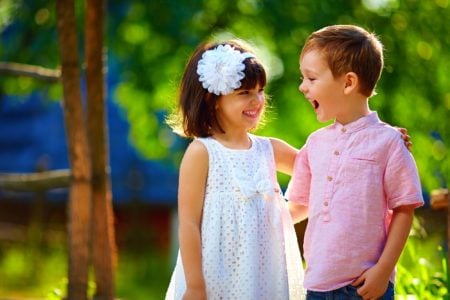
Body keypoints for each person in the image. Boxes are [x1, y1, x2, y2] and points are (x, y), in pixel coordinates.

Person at [285, 24, 424, 300]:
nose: (302, 87)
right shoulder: (314, 144)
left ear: (348, 83)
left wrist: (384, 270)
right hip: (316, 286)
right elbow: (298, 206)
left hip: (365, 287)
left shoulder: (388, 142)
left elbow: (405, 209)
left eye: (311, 79)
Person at [165, 39, 305, 300]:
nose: (257, 101)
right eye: (244, 93)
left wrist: (282, 217)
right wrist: (195, 286)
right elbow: (189, 223)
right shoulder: (203, 153)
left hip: (265, 274)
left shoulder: (269, 149)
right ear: (213, 98)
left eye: (260, 91)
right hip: (215, 278)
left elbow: (321, 173)